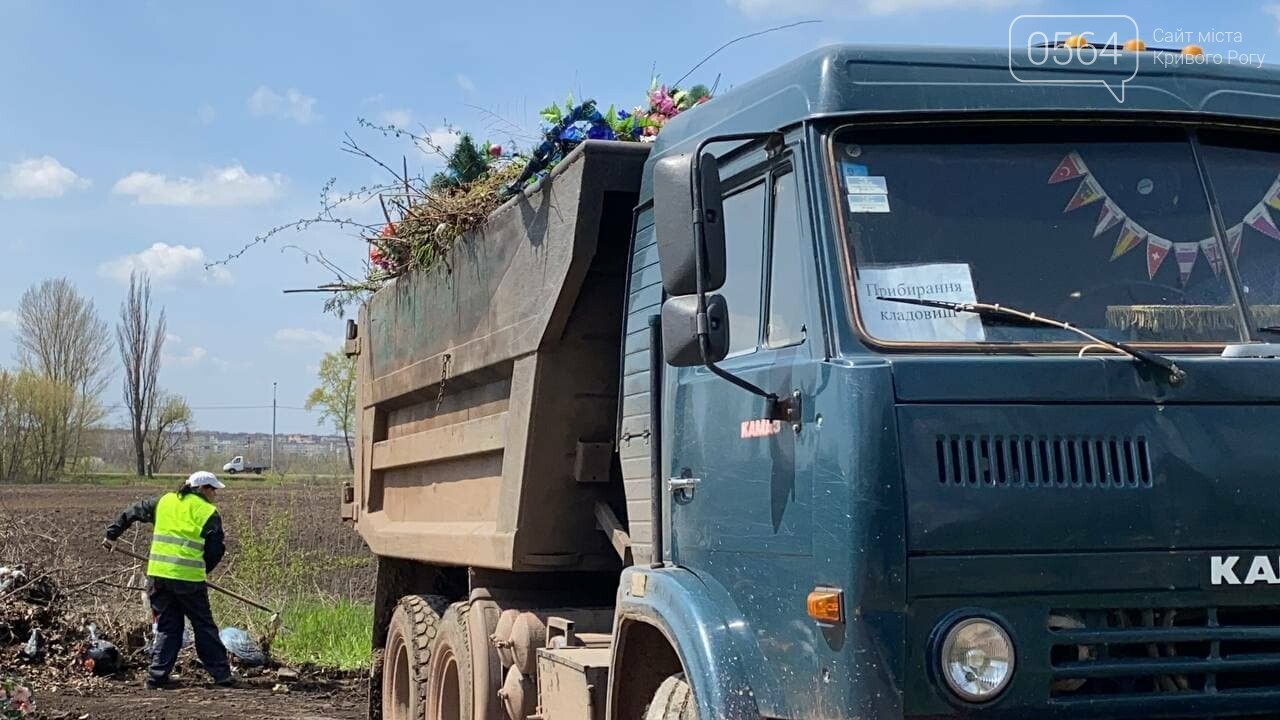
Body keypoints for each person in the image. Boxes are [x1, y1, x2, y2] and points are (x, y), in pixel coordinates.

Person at [103, 470, 234, 689]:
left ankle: (157, 677)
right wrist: (202, 571)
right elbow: (215, 550)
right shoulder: (208, 512)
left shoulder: (164, 501)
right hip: (189, 581)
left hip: (158, 578)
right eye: (213, 489)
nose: (215, 494)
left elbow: (133, 511)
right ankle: (221, 675)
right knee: (203, 627)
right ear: (202, 489)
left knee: (167, 627)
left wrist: (112, 534)